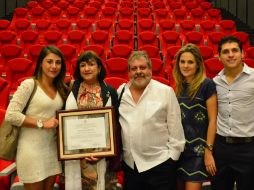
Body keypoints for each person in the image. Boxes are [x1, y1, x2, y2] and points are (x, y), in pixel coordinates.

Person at [117, 51, 185, 190]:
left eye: (142, 67)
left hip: (160, 166)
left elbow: (176, 129)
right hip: (131, 167)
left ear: (150, 69)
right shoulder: (121, 92)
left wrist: (171, 159)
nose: (138, 72)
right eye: (134, 68)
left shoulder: (165, 92)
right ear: (129, 72)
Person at [5, 45, 68, 189]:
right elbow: (11, 115)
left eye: (58, 62)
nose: (54, 66)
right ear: (41, 63)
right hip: (31, 151)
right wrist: (42, 123)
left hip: (52, 150)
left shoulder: (60, 88)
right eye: (49, 61)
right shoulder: (29, 84)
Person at [64, 51, 120, 190]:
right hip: (76, 153)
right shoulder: (70, 89)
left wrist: (107, 149)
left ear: (99, 68)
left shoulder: (110, 91)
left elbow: (116, 123)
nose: (87, 68)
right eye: (82, 65)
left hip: (103, 152)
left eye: (91, 64)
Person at [211, 36, 254, 190]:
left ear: (242, 54)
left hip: (248, 148)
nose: (230, 55)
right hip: (221, 148)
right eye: (226, 52)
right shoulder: (214, 82)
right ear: (220, 57)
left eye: (235, 50)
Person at [173, 44, 217, 190]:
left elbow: (213, 120)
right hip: (179, 150)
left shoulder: (207, 85)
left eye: (190, 62)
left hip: (198, 152)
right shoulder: (178, 86)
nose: (185, 66)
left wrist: (208, 151)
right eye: (182, 62)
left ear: (198, 64)